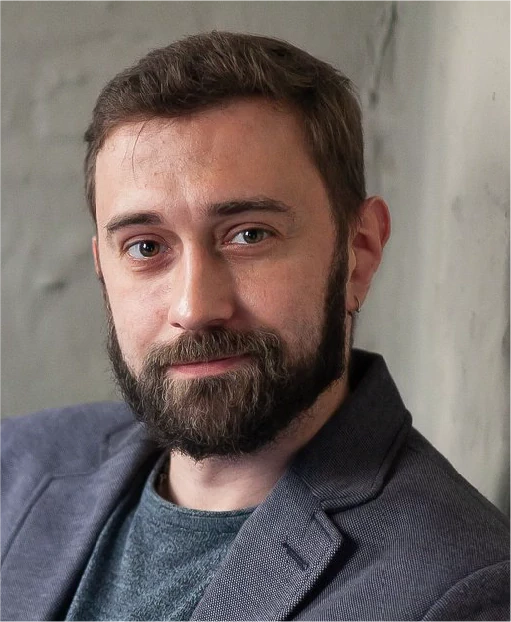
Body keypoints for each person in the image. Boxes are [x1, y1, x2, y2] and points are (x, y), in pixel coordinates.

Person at [1, 31, 510, 622]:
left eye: (249, 235)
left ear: (359, 253)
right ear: (102, 267)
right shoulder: (17, 465)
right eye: (146, 247)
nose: (194, 307)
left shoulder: (460, 590)